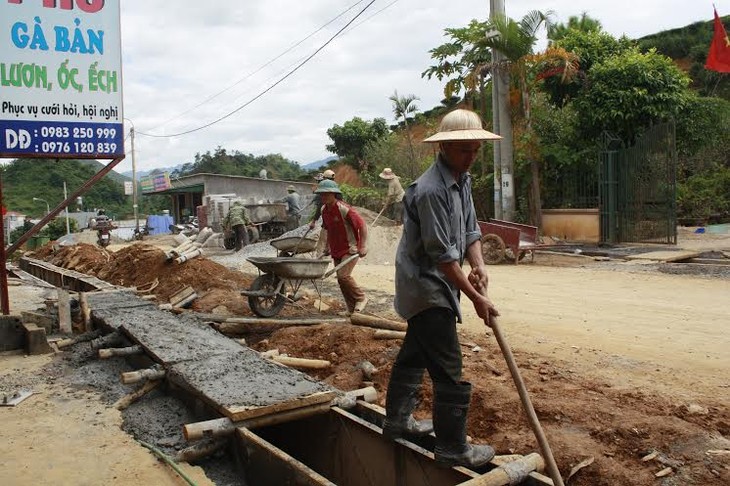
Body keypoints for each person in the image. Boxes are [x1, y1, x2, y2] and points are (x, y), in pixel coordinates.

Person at [383, 109, 501, 469]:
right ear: (446, 147)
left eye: (476, 149)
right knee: (448, 365)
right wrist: (476, 297)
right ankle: (452, 447)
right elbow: (443, 258)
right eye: (466, 149)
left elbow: (469, 232)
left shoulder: (461, 179)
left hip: (438, 280)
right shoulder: (431, 190)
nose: (472, 155)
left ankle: (397, 421)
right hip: (425, 285)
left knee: (415, 353)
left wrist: (479, 265)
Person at [315, 179, 369, 314]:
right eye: (321, 194)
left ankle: (361, 297)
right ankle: (350, 309)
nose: (323, 197)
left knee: (344, 276)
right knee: (341, 280)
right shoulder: (324, 210)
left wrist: (362, 246)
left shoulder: (344, 209)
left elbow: (362, 226)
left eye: (326, 194)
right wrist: (327, 247)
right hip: (336, 250)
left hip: (350, 248)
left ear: (334, 194)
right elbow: (328, 229)